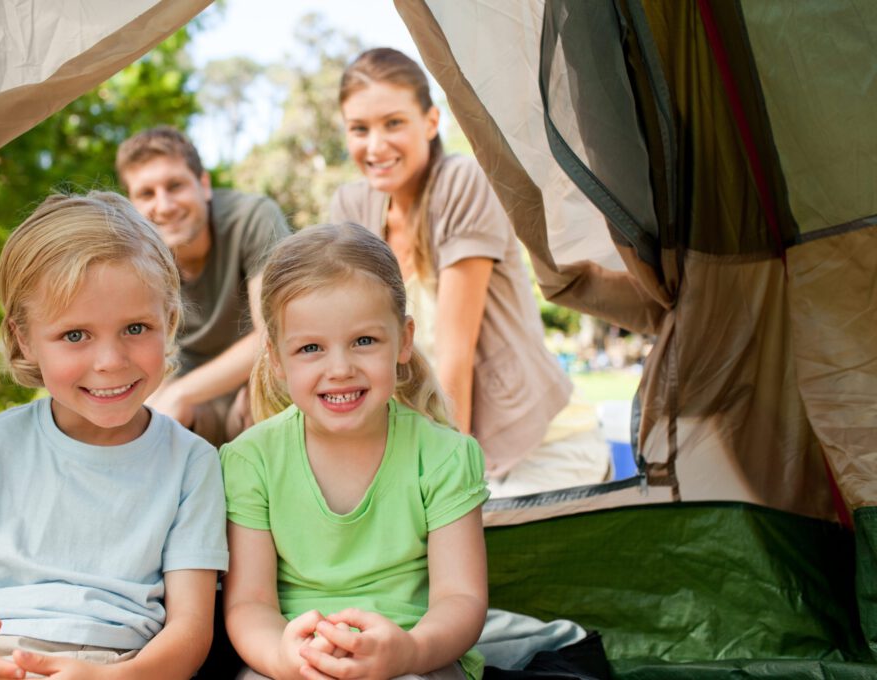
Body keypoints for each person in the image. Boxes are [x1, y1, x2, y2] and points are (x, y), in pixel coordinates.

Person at [0, 192, 228, 679]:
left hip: (113, 668)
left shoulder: (191, 462)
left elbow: (190, 630)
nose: (110, 361)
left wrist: (112, 678)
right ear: (24, 337)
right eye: (75, 335)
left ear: (169, 321)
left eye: (136, 327)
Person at [330, 48, 610, 491]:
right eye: (359, 129)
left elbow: (454, 355)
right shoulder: (351, 208)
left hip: (534, 447)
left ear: (430, 122)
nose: (375, 145)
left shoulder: (461, 182)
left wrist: (445, 487)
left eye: (393, 123)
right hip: (433, 441)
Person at [221, 223, 489, 680]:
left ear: (403, 340)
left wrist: (409, 652)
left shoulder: (445, 455)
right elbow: (250, 604)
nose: (340, 369)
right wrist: (285, 659)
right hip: (293, 661)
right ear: (276, 360)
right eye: (310, 348)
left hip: (417, 657)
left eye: (364, 341)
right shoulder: (252, 460)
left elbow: (460, 599)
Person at [116, 126, 291, 447]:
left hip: (259, 387)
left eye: (175, 185)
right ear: (132, 206)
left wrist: (181, 391)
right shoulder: (134, 257)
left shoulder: (251, 217)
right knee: (149, 424)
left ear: (204, 185)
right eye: (146, 194)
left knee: (269, 396)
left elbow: (275, 334)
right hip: (197, 408)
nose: (164, 206)